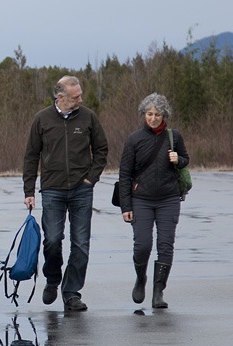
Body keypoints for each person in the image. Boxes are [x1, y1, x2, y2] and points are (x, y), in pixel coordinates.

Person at [22, 75, 108, 312]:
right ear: (60, 97)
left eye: (80, 94)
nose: (80, 99)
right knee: (52, 239)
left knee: (80, 244)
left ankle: (71, 293)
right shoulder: (42, 119)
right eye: (75, 96)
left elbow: (101, 149)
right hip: (52, 189)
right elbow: (31, 156)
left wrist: (91, 178)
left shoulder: (88, 117)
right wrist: (29, 189)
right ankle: (52, 278)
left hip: (82, 189)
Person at [118, 93, 188, 308]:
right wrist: (126, 206)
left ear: (164, 115)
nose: (153, 118)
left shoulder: (174, 136)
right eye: (149, 114)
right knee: (143, 245)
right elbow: (125, 174)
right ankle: (141, 279)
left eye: (157, 114)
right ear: (143, 114)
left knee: (165, 245)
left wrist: (179, 159)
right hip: (141, 200)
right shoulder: (134, 139)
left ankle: (158, 292)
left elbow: (186, 160)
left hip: (169, 198)